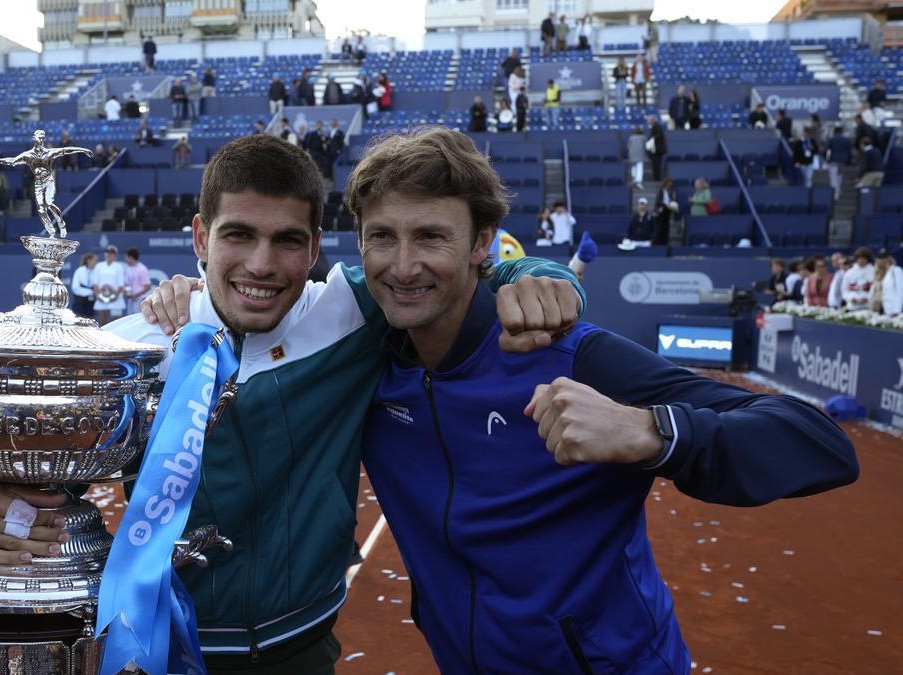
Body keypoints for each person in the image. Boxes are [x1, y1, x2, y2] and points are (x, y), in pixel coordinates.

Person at [0, 132, 584, 674]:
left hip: (300, 650)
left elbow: (466, 271)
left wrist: (541, 277)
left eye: (287, 241)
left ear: (314, 248)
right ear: (199, 236)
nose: (262, 263)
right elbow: (33, 468)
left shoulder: (352, 313)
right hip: (163, 649)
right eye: (238, 235)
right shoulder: (137, 352)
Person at [348, 130, 856, 675]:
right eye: (382, 237)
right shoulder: (363, 361)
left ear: (481, 244)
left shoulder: (570, 356)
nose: (402, 267)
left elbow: (821, 443)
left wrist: (650, 432)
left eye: (430, 238)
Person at [91, 244, 126, 324]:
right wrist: (99, 296)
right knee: (103, 322)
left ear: (115, 255)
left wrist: (114, 297)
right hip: (102, 296)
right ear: (105, 254)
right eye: (107, 252)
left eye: (112, 253)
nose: (109, 254)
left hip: (116, 297)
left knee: (117, 322)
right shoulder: (99, 266)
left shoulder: (119, 267)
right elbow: (95, 283)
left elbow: (121, 285)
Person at [872, 249, 903, 316]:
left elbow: (900, 291)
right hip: (877, 308)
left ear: (888, 259)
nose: (881, 260)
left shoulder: (896, 270)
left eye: (884, 258)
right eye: (879, 258)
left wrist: (897, 310)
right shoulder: (876, 273)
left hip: (891, 310)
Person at [826, 125, 853, 200]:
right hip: (843, 162)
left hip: (833, 161)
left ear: (834, 131)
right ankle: (838, 190)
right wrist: (849, 163)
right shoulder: (846, 140)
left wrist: (826, 159)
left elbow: (826, 149)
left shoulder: (831, 139)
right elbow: (850, 152)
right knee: (839, 177)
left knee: (833, 177)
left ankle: (835, 193)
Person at [124, 247, 152, 316]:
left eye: (126, 257)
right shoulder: (128, 268)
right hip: (131, 299)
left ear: (130, 257)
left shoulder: (142, 269)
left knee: (139, 319)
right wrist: (127, 292)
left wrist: (136, 295)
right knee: (130, 319)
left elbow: (148, 286)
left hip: (140, 300)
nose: (125, 259)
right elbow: (127, 284)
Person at [70, 253, 97, 318]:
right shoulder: (79, 271)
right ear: (89, 261)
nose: (96, 262)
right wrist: (91, 292)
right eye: (94, 260)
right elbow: (75, 288)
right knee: (78, 322)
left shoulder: (96, 271)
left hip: (91, 302)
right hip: (79, 302)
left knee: (91, 322)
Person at [654, 177, 677, 245]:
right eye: (667, 185)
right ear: (665, 184)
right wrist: (665, 205)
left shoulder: (671, 193)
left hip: (667, 212)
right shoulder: (661, 191)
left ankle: (665, 243)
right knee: (659, 228)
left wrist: (672, 205)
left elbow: (672, 201)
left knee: (666, 228)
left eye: (670, 185)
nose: (668, 187)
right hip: (661, 211)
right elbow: (658, 202)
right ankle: (658, 243)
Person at [647, 115, 667, 181]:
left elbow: (660, 135)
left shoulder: (657, 126)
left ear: (652, 120)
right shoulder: (654, 127)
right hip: (655, 150)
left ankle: (657, 178)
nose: (648, 122)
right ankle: (656, 178)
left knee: (657, 165)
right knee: (655, 165)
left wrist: (652, 138)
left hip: (658, 150)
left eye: (649, 120)